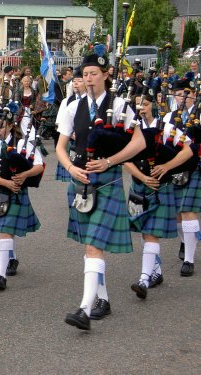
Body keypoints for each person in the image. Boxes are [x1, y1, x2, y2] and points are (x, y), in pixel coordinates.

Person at [56, 52, 146, 330]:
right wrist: (71, 168)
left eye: (93, 73)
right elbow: (60, 147)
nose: (88, 78)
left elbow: (139, 143)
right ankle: (102, 300)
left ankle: (84, 308)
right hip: (80, 184)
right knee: (91, 247)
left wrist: (109, 161)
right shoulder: (72, 106)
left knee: (94, 245)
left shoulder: (120, 105)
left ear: (106, 75)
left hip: (107, 183)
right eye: (85, 74)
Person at [124, 91, 180, 299]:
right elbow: (124, 159)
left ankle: (144, 279)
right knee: (144, 232)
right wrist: (142, 177)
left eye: (145, 104)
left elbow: (188, 151)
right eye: (138, 104)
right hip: (140, 185)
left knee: (150, 233)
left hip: (160, 187)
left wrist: (167, 166)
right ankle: (155, 271)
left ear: (153, 105)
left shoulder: (166, 128)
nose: (141, 108)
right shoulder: (131, 129)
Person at [0, 106, 43, 289]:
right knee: (6, 230)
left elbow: (38, 165)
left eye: (2, 126)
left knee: (6, 230)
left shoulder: (22, 142)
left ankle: (0, 274)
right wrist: (5, 183)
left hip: (17, 193)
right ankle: (11, 258)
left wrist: (24, 175)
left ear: (11, 126)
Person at [159, 78, 199, 277]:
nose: (182, 97)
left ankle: (189, 260)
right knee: (177, 214)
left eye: (185, 93)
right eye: (178, 94)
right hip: (176, 167)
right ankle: (185, 240)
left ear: (193, 94)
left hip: (196, 166)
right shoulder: (170, 117)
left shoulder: (199, 114)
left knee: (188, 211)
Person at [54, 66, 86, 182]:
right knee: (74, 180)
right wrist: (71, 134)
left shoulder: (92, 101)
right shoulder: (66, 101)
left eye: (79, 81)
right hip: (70, 140)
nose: (76, 84)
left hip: (86, 142)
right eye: (74, 81)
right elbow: (59, 123)